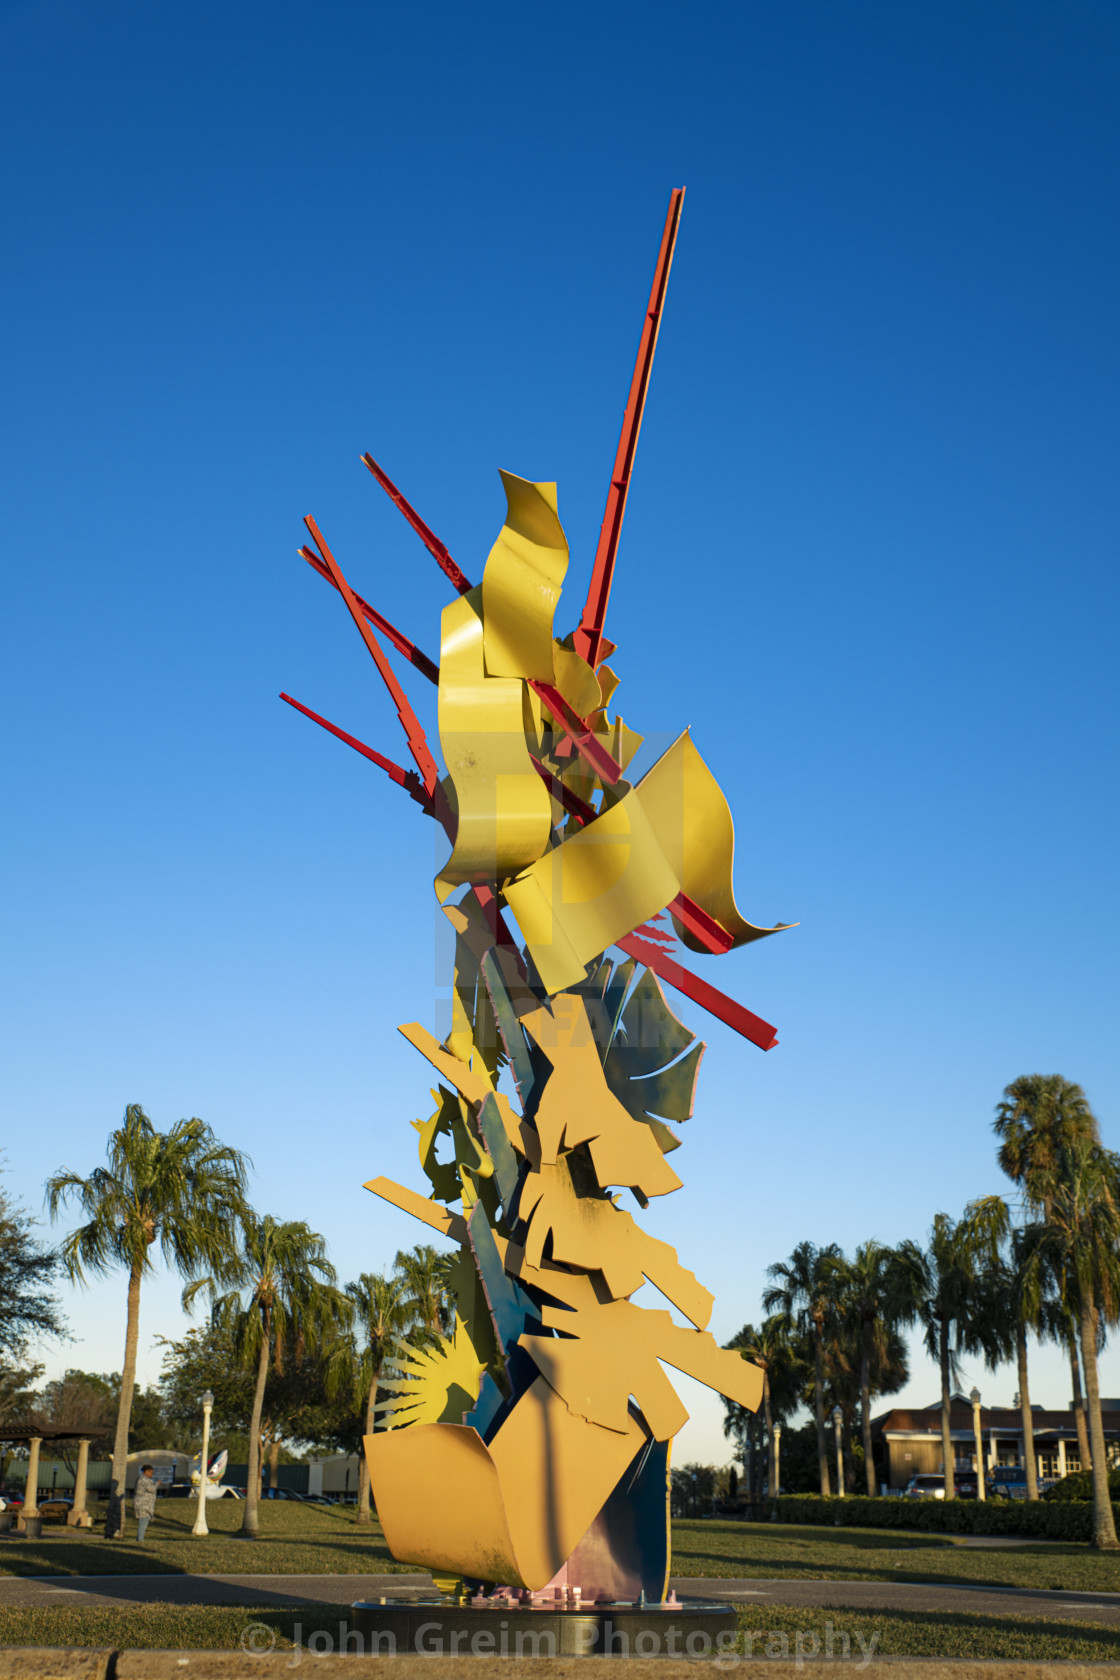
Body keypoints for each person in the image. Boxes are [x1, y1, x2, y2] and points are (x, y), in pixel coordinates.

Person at [133, 1464, 158, 1542]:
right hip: (143, 1505)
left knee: (144, 1522)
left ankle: (139, 1538)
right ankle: (140, 1539)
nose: (151, 1475)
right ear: (146, 1471)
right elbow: (152, 1489)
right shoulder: (144, 1479)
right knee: (143, 1523)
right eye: (151, 1472)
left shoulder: (141, 1479)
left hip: (145, 1505)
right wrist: (157, 1484)